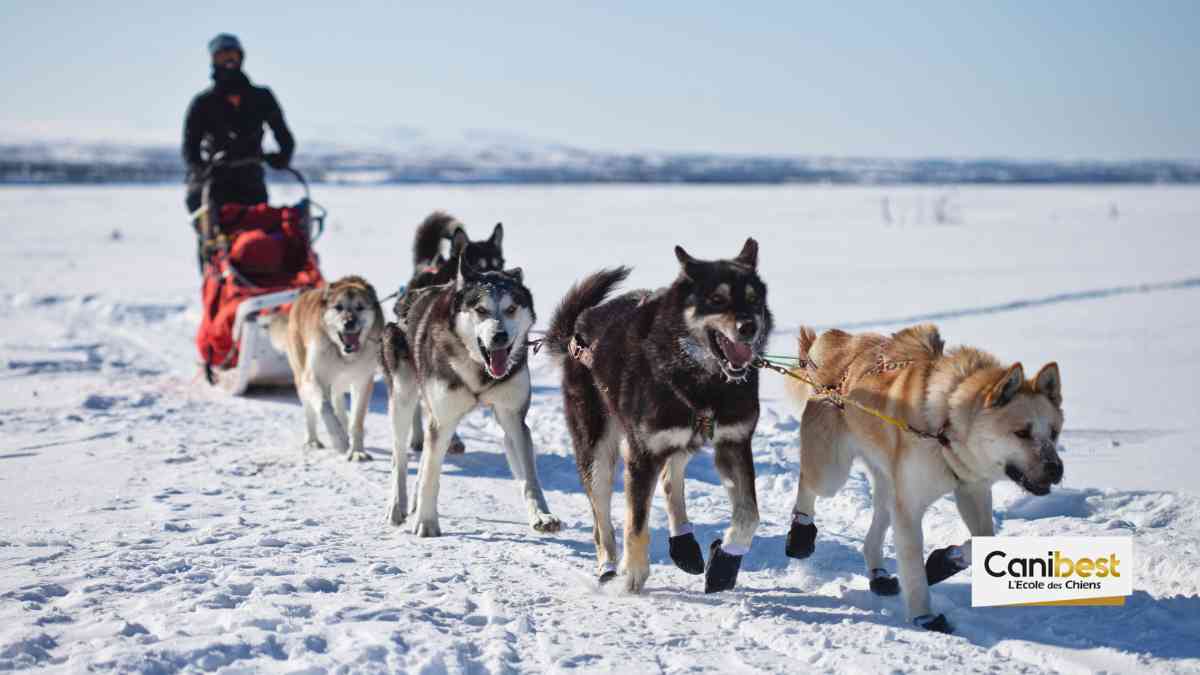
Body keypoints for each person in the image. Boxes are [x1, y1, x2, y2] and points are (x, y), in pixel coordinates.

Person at [183, 33, 295, 214]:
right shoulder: (203, 102)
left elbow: (285, 137)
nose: (228, 60)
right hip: (215, 185)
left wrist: (281, 157)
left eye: (232, 54)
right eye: (222, 55)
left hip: (252, 183)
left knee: (257, 236)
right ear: (213, 60)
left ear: (241, 57)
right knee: (216, 238)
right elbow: (190, 147)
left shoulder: (261, 97)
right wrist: (201, 169)